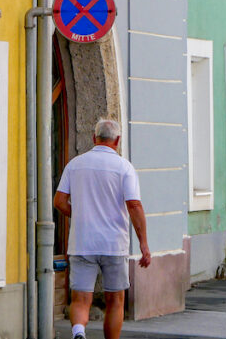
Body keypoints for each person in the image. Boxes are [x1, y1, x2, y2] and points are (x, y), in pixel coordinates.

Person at [54, 118, 150, 339]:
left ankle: (79, 332)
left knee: (80, 298)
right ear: (117, 140)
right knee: (115, 300)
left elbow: (59, 201)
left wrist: (79, 214)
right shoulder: (124, 167)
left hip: (82, 243)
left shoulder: (75, 164)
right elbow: (134, 205)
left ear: (93, 138)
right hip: (114, 244)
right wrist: (143, 244)